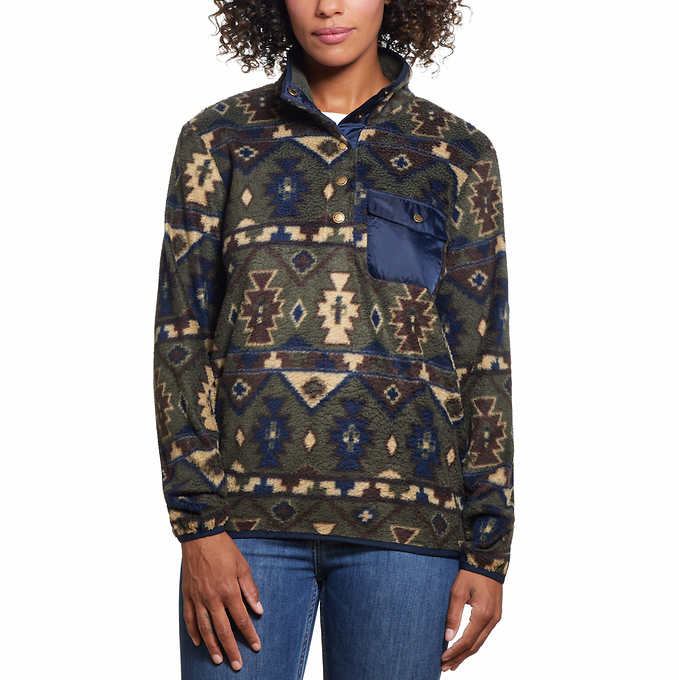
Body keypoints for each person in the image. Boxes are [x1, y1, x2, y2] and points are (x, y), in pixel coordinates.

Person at [153, 1, 514, 677]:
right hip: (243, 527)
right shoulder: (218, 139)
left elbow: (483, 357)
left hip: (409, 531)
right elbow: (181, 336)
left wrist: (489, 548)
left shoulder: (457, 152)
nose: (328, 5)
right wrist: (197, 526)